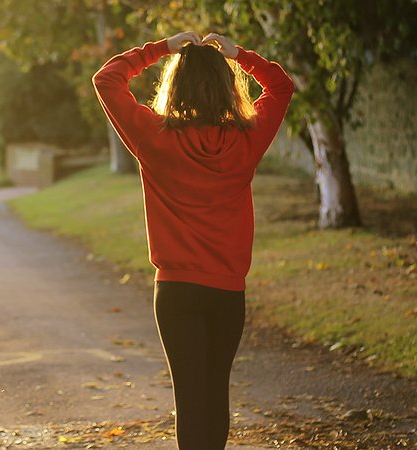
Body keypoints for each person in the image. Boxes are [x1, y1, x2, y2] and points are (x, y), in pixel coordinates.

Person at [92, 31, 294, 449]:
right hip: (226, 292)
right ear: (227, 86)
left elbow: (107, 79)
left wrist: (161, 48)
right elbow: (281, 86)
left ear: (175, 86)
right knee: (215, 392)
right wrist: (239, 54)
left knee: (190, 399)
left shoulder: (157, 138)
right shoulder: (246, 139)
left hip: (176, 291)